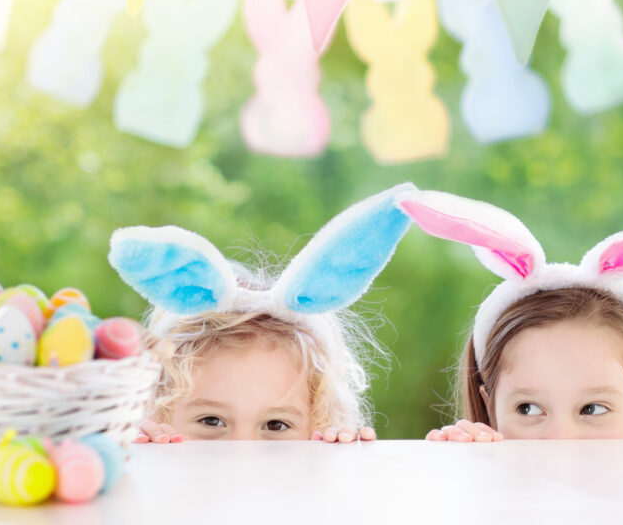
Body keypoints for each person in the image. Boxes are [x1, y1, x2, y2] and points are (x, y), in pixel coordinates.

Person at [396, 189, 623, 443]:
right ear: (490, 412)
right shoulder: (473, 498)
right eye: (528, 409)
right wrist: (455, 475)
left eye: (593, 409)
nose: (561, 442)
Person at [108, 184, 414, 443]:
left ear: (317, 428)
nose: (243, 452)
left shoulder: (316, 494)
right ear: (156, 412)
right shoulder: (149, 493)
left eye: (275, 426)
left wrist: (344, 474)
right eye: (212, 421)